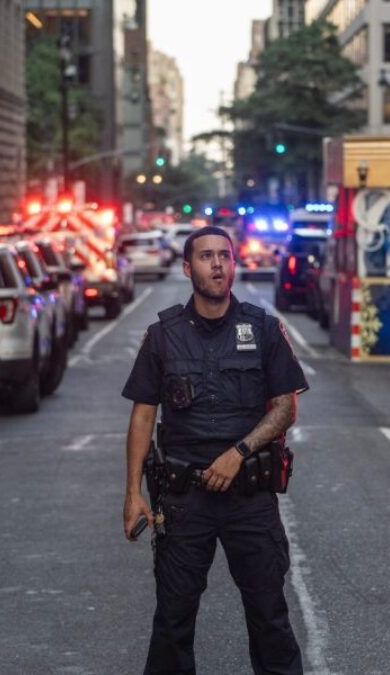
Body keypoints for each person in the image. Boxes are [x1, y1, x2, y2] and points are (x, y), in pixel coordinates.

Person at [121, 226, 308, 675]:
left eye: (224, 255)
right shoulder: (162, 336)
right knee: (172, 622)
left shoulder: (262, 329)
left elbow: (285, 408)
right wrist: (132, 493)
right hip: (185, 500)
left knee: (270, 619)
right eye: (206, 257)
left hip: (250, 498)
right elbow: (144, 414)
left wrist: (238, 452)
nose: (218, 264)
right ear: (188, 268)